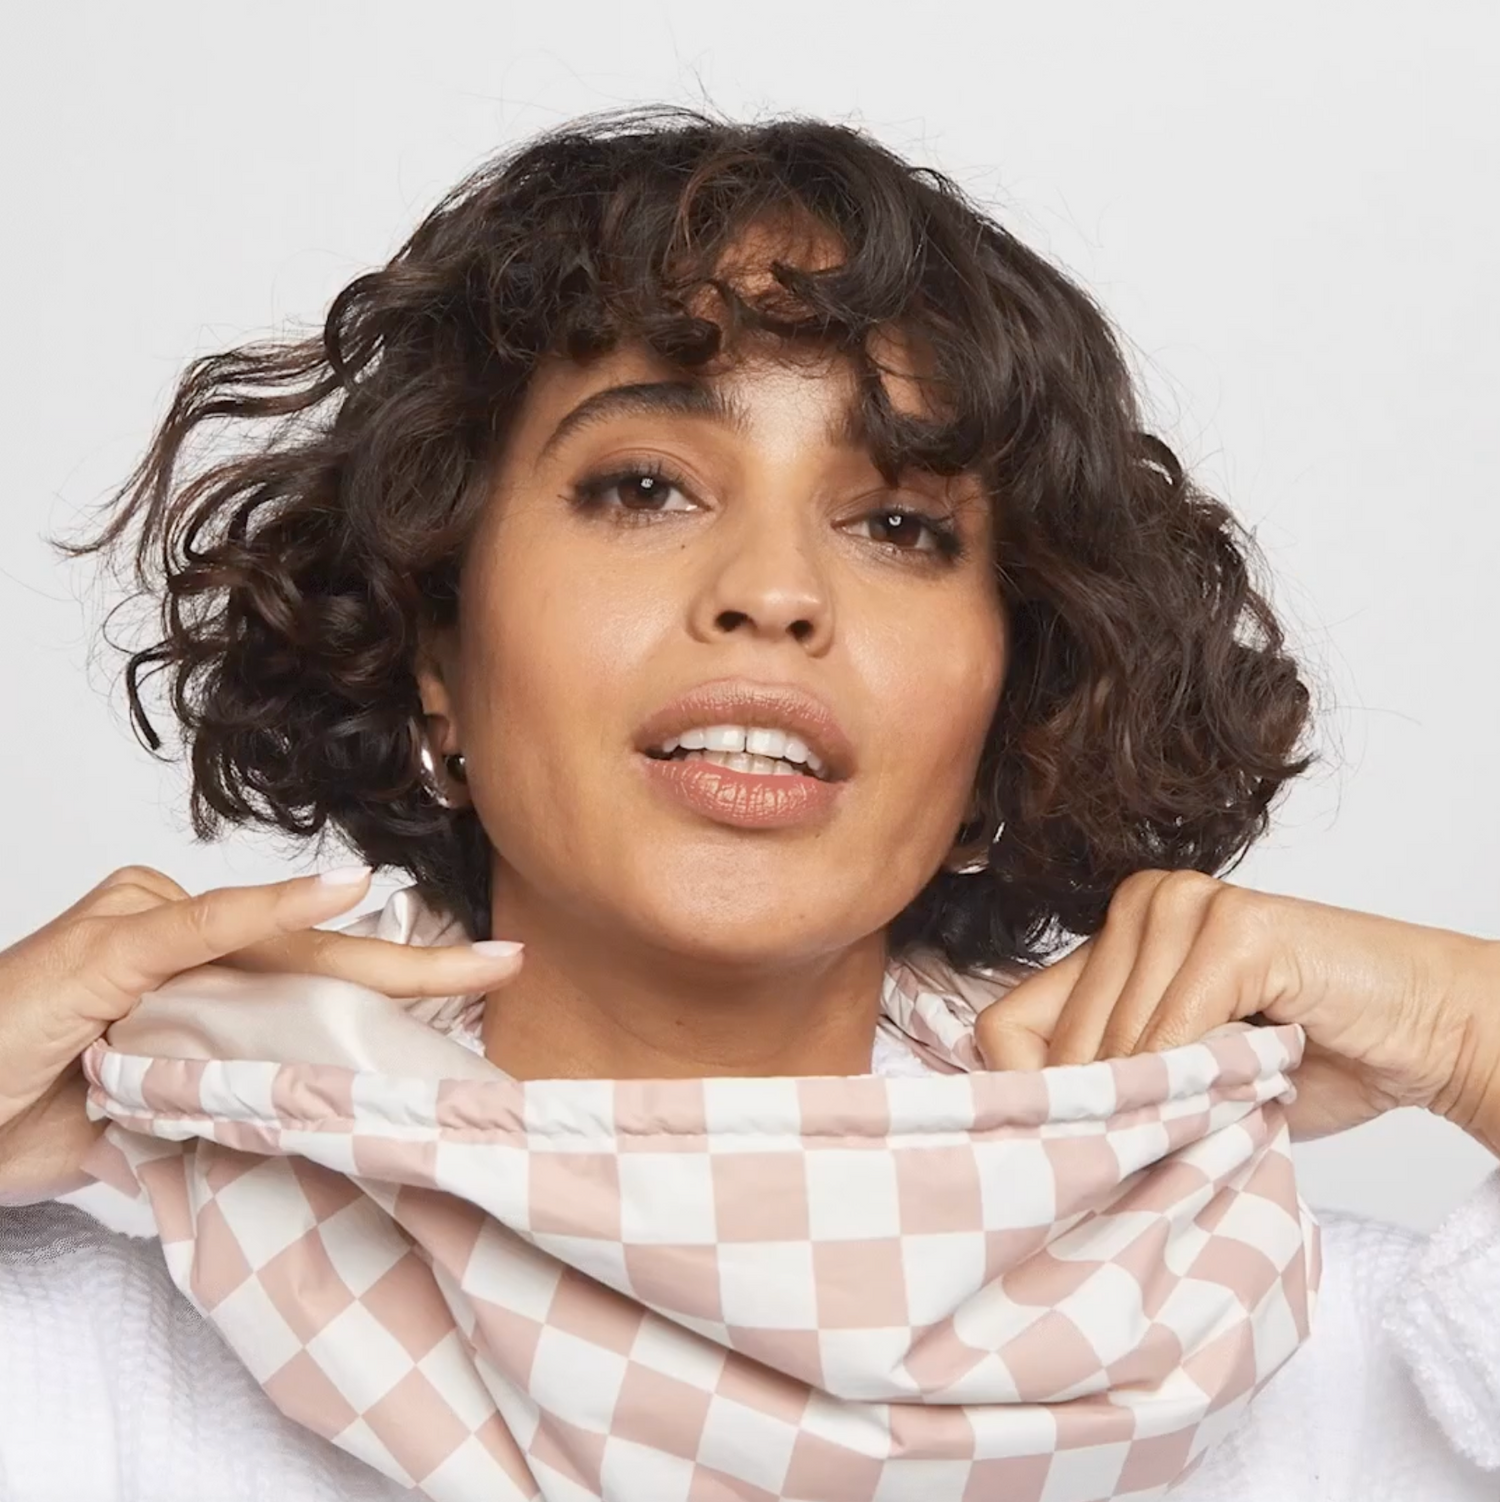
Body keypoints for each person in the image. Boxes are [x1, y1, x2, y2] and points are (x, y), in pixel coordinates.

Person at [1, 103, 1496, 1501]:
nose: (775, 592)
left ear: (1006, 718)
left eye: (898, 523)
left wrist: (1462, 1029)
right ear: (436, 653)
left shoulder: (1277, 1331)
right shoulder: (100, 1354)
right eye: (645, 486)